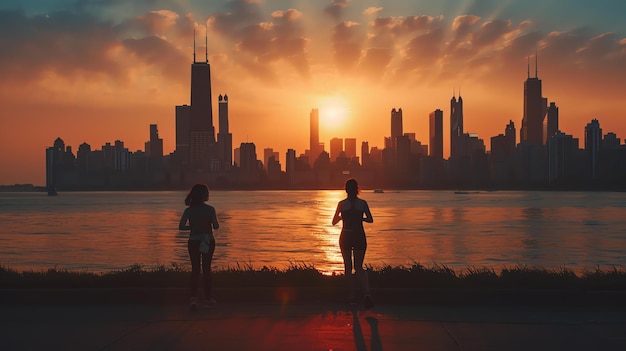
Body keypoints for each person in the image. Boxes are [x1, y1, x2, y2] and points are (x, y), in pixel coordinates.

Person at [332, 178, 375, 308]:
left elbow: (334, 221)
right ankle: (366, 293)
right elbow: (370, 219)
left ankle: (351, 297)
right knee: (359, 267)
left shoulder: (341, 204)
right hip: (359, 235)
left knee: (348, 268)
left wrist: (343, 217)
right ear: (357, 189)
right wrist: (359, 218)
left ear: (346, 189)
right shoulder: (363, 203)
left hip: (346, 235)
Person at [179, 183, 219, 311]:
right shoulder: (210, 209)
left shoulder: (189, 210)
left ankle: (193, 299)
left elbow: (181, 227)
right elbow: (216, 226)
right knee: (206, 269)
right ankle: (207, 299)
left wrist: (193, 227)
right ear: (203, 195)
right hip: (207, 240)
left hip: (193, 240)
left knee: (195, 269)